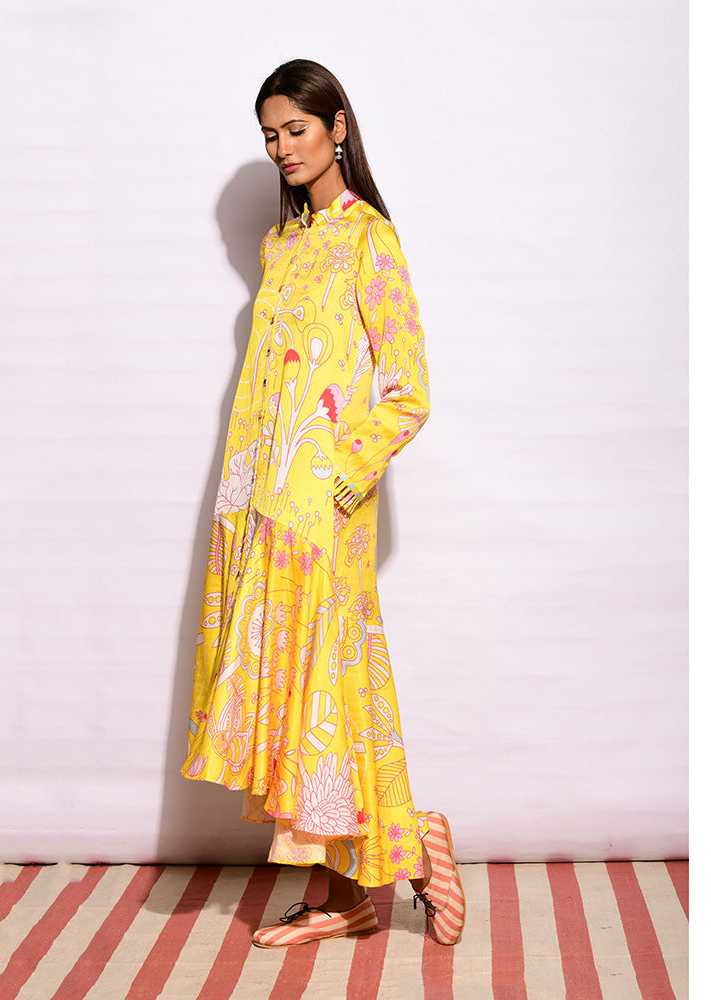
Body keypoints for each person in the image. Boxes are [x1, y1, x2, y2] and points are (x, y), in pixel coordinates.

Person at [181, 58, 465, 948]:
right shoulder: (284, 245)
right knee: (306, 694)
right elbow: (267, 390)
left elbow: (408, 388)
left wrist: (349, 466)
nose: (282, 149)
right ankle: (379, 863)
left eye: (296, 130)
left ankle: (367, 874)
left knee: (325, 689)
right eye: (270, 135)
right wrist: (241, 498)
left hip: (326, 507)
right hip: (261, 504)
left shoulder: (367, 239)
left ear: (338, 128)